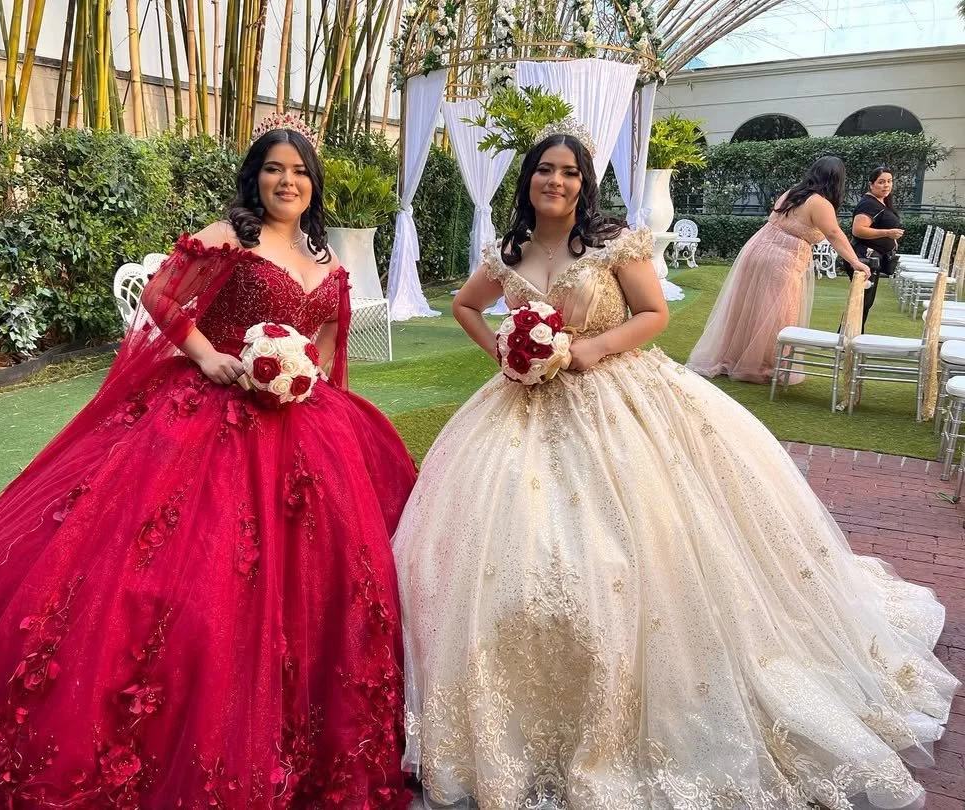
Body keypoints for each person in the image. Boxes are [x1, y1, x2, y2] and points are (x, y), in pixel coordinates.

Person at [392, 122, 958, 810]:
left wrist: (592, 351)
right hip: (523, 407)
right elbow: (464, 304)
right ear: (528, 180)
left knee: (642, 545)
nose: (557, 182)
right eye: (546, 171)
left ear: (583, 183)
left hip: (620, 397)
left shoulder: (609, 242)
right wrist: (507, 352)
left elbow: (654, 313)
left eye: (570, 172)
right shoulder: (507, 250)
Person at [0, 116, 416, 808]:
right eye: (274, 169)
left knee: (328, 578)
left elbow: (320, 341)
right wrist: (212, 357)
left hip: (303, 424)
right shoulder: (232, 236)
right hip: (211, 406)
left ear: (314, 184)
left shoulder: (329, 260)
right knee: (171, 572)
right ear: (256, 177)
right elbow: (165, 297)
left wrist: (297, 375)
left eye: (299, 171)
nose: (288, 181)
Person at [687, 156, 869, 383]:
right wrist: (855, 261)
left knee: (750, 305)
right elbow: (833, 234)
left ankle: (736, 357)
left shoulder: (793, 193)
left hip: (758, 248)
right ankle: (767, 364)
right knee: (781, 311)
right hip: (782, 258)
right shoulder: (820, 203)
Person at [850, 167, 904, 331]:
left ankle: (853, 334)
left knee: (865, 301)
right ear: (871, 185)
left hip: (875, 257)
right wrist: (887, 233)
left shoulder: (882, 202)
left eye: (889, 181)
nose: (886, 185)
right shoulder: (869, 204)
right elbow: (858, 230)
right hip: (865, 257)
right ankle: (849, 336)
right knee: (862, 300)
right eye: (881, 182)